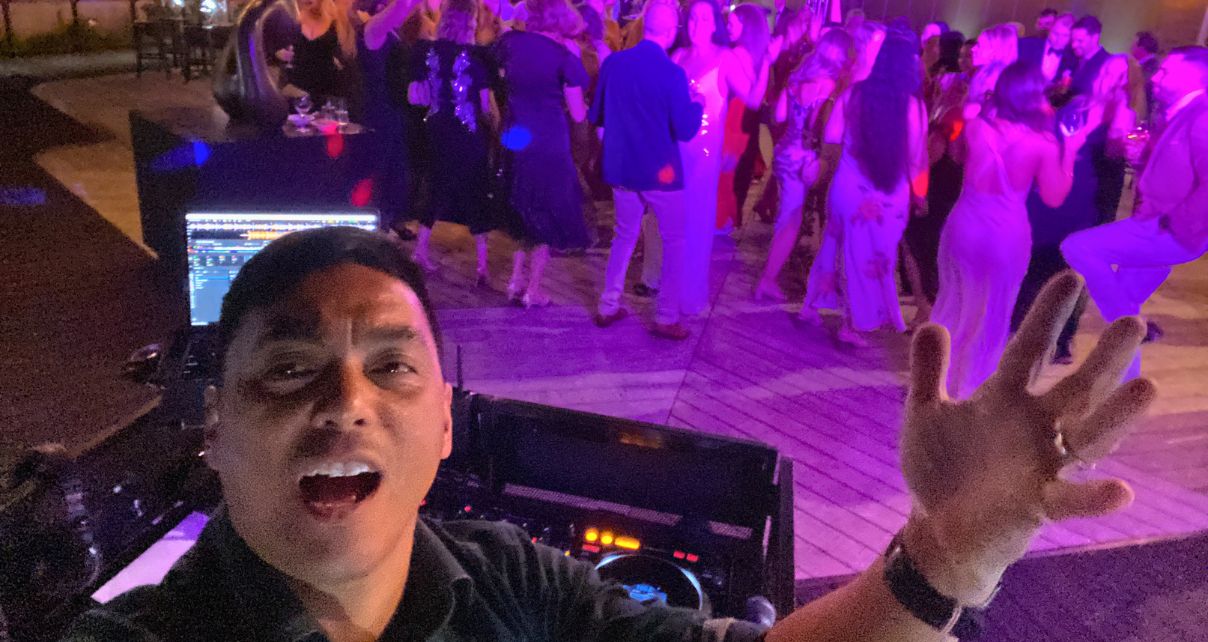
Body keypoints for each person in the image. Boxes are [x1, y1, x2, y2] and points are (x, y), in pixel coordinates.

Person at [61, 225, 1156, 642]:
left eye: (391, 366)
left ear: (445, 423)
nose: (345, 402)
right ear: (208, 429)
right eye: (289, 368)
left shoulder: (504, 585)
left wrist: (944, 556)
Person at [932, 62, 1093, 399]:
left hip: (965, 224)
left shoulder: (976, 127)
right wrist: (1071, 153)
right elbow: (1054, 196)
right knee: (993, 311)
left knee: (954, 301)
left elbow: (957, 157)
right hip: (1005, 232)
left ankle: (934, 379)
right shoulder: (1044, 143)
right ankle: (971, 389)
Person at [1062, 46, 1208, 381]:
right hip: (1159, 223)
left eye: (1168, 71)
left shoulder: (1202, 115)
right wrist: (1142, 157)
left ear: (1194, 76)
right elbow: (1177, 170)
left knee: (1078, 247)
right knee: (1125, 300)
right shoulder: (1179, 112)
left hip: (1167, 230)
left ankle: (1132, 330)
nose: (1157, 77)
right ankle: (1126, 387)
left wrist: (1177, 225)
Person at [638, 0, 778, 317]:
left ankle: (687, 296)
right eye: (693, 17)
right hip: (673, 149)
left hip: (703, 154)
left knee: (696, 224)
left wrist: (767, 61)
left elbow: (753, 98)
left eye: (704, 17)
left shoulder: (725, 57)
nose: (697, 23)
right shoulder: (678, 56)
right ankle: (665, 289)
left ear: (714, 23)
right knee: (670, 223)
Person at [798, 27, 927, 347]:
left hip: (847, 188)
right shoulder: (913, 107)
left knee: (835, 246)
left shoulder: (853, 95)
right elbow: (915, 158)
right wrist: (920, 194)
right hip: (886, 195)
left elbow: (831, 139)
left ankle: (813, 304)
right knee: (870, 260)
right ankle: (852, 323)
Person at [1013, 54, 1136, 365]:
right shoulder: (1077, 105)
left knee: (1074, 270)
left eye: (1122, 76)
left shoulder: (1121, 115)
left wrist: (1118, 114)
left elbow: (1114, 152)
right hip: (1055, 194)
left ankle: (1062, 338)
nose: (1113, 79)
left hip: (1090, 200)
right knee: (1039, 261)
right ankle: (1019, 328)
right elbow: (1051, 139)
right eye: (1110, 72)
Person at [591, 0, 702, 340]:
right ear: (670, 32)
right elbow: (684, 130)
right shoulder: (672, 74)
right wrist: (698, 105)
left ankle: (608, 304)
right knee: (674, 240)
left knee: (624, 236)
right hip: (660, 174)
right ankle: (666, 316)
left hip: (622, 168)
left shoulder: (614, 64)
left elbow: (597, 115)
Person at [493, 0, 593, 306]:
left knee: (522, 204)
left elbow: (499, 75)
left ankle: (514, 281)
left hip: (516, 134)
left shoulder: (510, 43)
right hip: (549, 139)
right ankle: (532, 290)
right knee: (546, 209)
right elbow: (577, 114)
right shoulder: (564, 56)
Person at [754, 27, 854, 302]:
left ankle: (771, 274)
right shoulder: (831, 87)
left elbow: (779, 116)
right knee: (792, 220)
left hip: (784, 152)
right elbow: (825, 130)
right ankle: (768, 279)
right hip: (804, 159)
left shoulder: (797, 80)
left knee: (785, 216)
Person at [406, 0, 497, 281]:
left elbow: (414, 96)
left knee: (435, 185)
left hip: (436, 127)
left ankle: (420, 250)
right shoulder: (478, 57)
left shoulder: (426, 50)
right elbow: (484, 105)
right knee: (476, 190)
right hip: (466, 131)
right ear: (471, 21)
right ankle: (482, 265)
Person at [716, 3, 774, 233]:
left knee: (726, 176)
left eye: (732, 23)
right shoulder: (754, 55)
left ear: (746, 26)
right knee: (737, 174)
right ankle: (727, 221)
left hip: (734, 119)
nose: (727, 27)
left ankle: (720, 222)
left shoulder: (735, 53)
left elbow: (752, 99)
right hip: (745, 123)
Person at [282, 0, 358, 103]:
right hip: (298, 96)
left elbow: (349, 59)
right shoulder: (289, 20)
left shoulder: (339, 20)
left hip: (331, 96)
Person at [1062, 15, 1109, 102]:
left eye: (1080, 41)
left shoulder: (1108, 64)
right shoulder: (1072, 57)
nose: (1074, 45)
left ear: (1095, 38)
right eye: (1073, 40)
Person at [1018, 12, 1073, 84]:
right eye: (1056, 33)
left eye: (1065, 36)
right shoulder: (1028, 44)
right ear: (1050, 29)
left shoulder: (1072, 58)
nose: (1059, 39)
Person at [1131, 31, 1160, 120]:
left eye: (1134, 45)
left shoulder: (1151, 67)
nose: (1131, 48)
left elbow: (1141, 88)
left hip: (1141, 115)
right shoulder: (1147, 65)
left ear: (1142, 48)